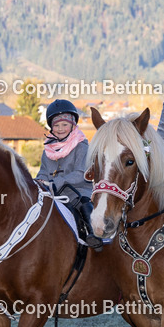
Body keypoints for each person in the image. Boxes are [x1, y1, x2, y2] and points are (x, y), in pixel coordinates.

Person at [37, 99, 101, 249]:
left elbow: (81, 173)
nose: (60, 129)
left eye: (64, 125)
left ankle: (93, 234)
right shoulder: (48, 150)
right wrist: (39, 180)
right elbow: (44, 172)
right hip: (51, 193)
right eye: (56, 125)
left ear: (73, 125)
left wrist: (57, 182)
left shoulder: (82, 146)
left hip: (78, 191)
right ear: (51, 127)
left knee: (83, 202)